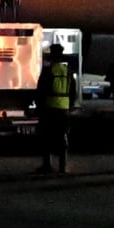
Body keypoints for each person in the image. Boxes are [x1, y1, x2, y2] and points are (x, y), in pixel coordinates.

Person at [34, 42, 80, 174]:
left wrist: (39, 106)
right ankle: (63, 166)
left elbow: (41, 90)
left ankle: (47, 165)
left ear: (51, 55)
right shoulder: (68, 71)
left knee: (47, 136)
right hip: (64, 108)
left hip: (49, 107)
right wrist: (69, 105)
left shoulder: (48, 70)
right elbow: (73, 91)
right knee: (62, 136)